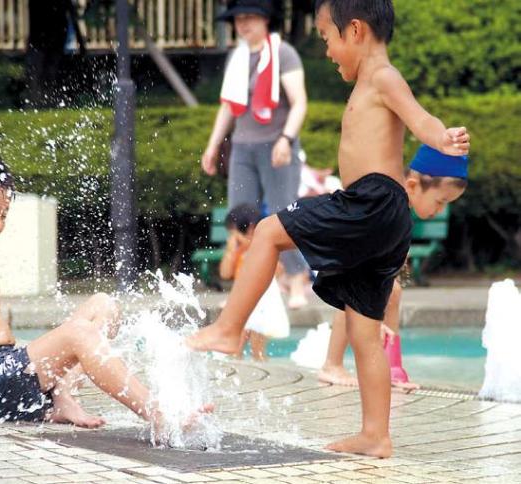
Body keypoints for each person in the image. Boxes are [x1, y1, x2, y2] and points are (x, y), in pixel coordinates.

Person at [188, 0, 470, 458]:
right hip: (385, 215)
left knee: (267, 231)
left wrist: (442, 139)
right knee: (363, 331)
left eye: (327, 39)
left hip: (371, 202)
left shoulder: (382, 76)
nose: (327, 51)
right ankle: (376, 435)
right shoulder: (368, 80)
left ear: (355, 31)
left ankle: (228, 328)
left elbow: (421, 119)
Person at [0, 148, 211, 434]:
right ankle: (159, 414)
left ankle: (62, 392)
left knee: (103, 305)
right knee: (79, 333)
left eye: (4, 214)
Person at [319, 146, 470, 391]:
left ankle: (391, 366)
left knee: (392, 291)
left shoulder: (400, 204)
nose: (440, 210)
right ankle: (332, 364)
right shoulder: (389, 202)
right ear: (412, 185)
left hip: (360, 251)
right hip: (351, 250)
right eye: (440, 201)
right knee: (355, 293)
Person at [201, 0, 311, 309]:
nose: (244, 24)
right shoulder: (237, 58)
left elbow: (299, 102)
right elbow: (229, 106)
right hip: (243, 146)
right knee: (239, 216)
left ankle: (297, 278)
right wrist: (213, 145)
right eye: (239, 19)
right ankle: (245, 289)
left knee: (281, 215)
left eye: (250, 18)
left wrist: (287, 139)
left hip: (277, 145)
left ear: (265, 19)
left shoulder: (284, 54)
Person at [220, 204, 290, 361]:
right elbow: (225, 273)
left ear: (250, 227)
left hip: (262, 301)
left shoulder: (265, 248)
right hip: (241, 300)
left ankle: (260, 368)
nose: (232, 236)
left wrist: (247, 245)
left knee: (257, 348)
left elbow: (278, 271)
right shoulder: (237, 252)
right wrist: (231, 251)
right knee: (236, 345)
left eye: (233, 231)